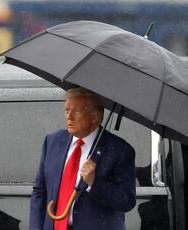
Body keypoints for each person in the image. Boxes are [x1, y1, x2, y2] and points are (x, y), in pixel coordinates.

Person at [30, 87, 136, 230]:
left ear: (95, 117)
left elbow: (126, 201)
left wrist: (94, 182)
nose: (69, 116)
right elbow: (39, 191)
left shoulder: (120, 150)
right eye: (67, 110)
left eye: (77, 111)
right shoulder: (53, 141)